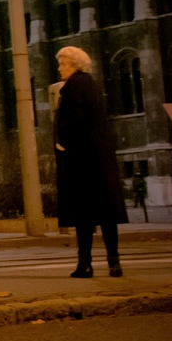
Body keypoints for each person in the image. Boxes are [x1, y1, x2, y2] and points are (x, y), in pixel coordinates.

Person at [53, 46, 128, 277]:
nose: (59, 68)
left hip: (81, 161)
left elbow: (73, 121)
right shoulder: (92, 85)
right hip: (100, 160)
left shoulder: (74, 86)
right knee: (106, 213)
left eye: (63, 64)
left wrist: (62, 143)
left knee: (83, 215)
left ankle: (84, 264)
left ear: (75, 65)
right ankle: (114, 263)